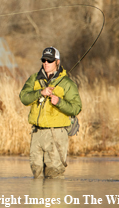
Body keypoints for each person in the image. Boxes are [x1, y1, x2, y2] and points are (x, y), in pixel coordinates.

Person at [19, 47, 82, 179]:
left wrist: (59, 102)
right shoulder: (34, 79)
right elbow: (24, 98)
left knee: (54, 173)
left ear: (57, 62)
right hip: (37, 133)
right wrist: (40, 92)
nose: (46, 63)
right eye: (44, 60)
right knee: (36, 172)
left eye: (50, 60)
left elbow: (76, 108)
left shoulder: (67, 83)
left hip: (57, 134)